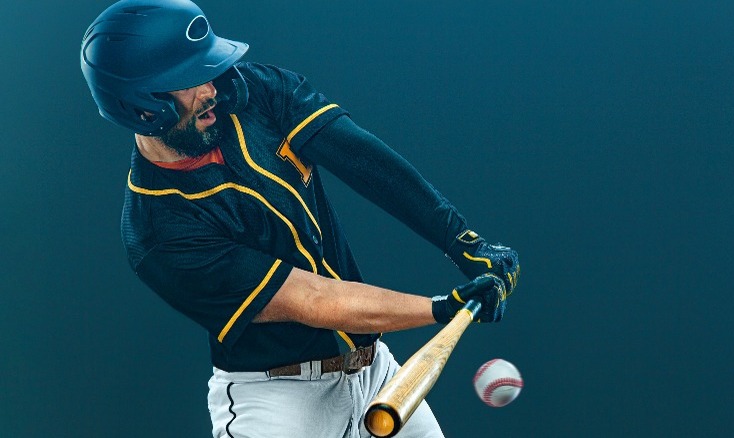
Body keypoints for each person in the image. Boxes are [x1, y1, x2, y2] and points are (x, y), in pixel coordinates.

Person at [81, 1, 520, 437]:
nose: (210, 88)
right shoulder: (158, 230)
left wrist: (462, 240)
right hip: (278, 402)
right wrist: (441, 308)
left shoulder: (257, 92)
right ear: (139, 106)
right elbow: (315, 301)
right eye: (187, 80)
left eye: (207, 69)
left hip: (375, 376)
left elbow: (366, 163)